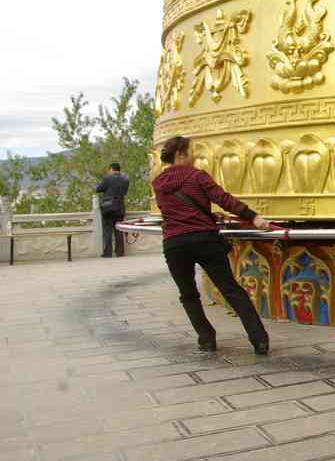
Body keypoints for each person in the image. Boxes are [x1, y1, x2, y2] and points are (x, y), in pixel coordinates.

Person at [153, 136, 272, 354]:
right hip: (204, 240)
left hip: (174, 244)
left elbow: (172, 210)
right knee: (231, 290)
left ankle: (206, 339)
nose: (195, 155)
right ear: (181, 154)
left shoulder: (158, 184)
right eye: (192, 151)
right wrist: (253, 217)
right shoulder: (196, 176)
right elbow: (224, 199)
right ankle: (259, 339)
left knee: (188, 295)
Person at [96, 163, 130, 258]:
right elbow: (125, 192)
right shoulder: (125, 179)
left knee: (108, 231)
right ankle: (120, 253)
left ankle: (108, 253)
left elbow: (98, 189)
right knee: (119, 230)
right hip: (120, 208)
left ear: (111, 169)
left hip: (108, 208)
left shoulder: (107, 178)